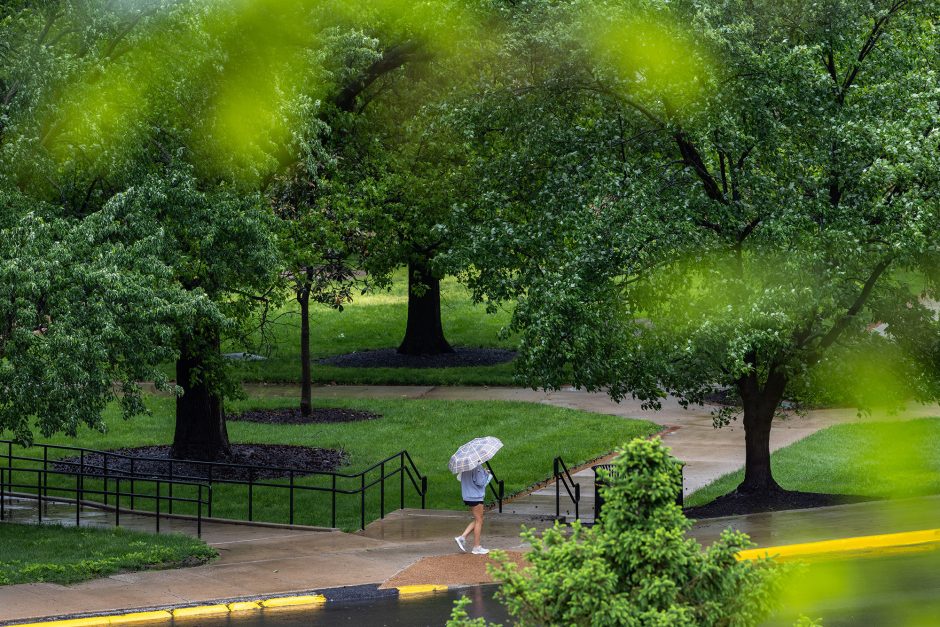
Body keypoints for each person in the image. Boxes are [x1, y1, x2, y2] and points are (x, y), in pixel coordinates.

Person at [455, 463, 491, 555]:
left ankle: (462, 537)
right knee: (479, 520)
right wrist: (486, 473)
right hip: (475, 496)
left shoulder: (464, 466)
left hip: (468, 495)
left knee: (478, 519)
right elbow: (480, 482)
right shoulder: (477, 466)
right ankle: (476, 547)